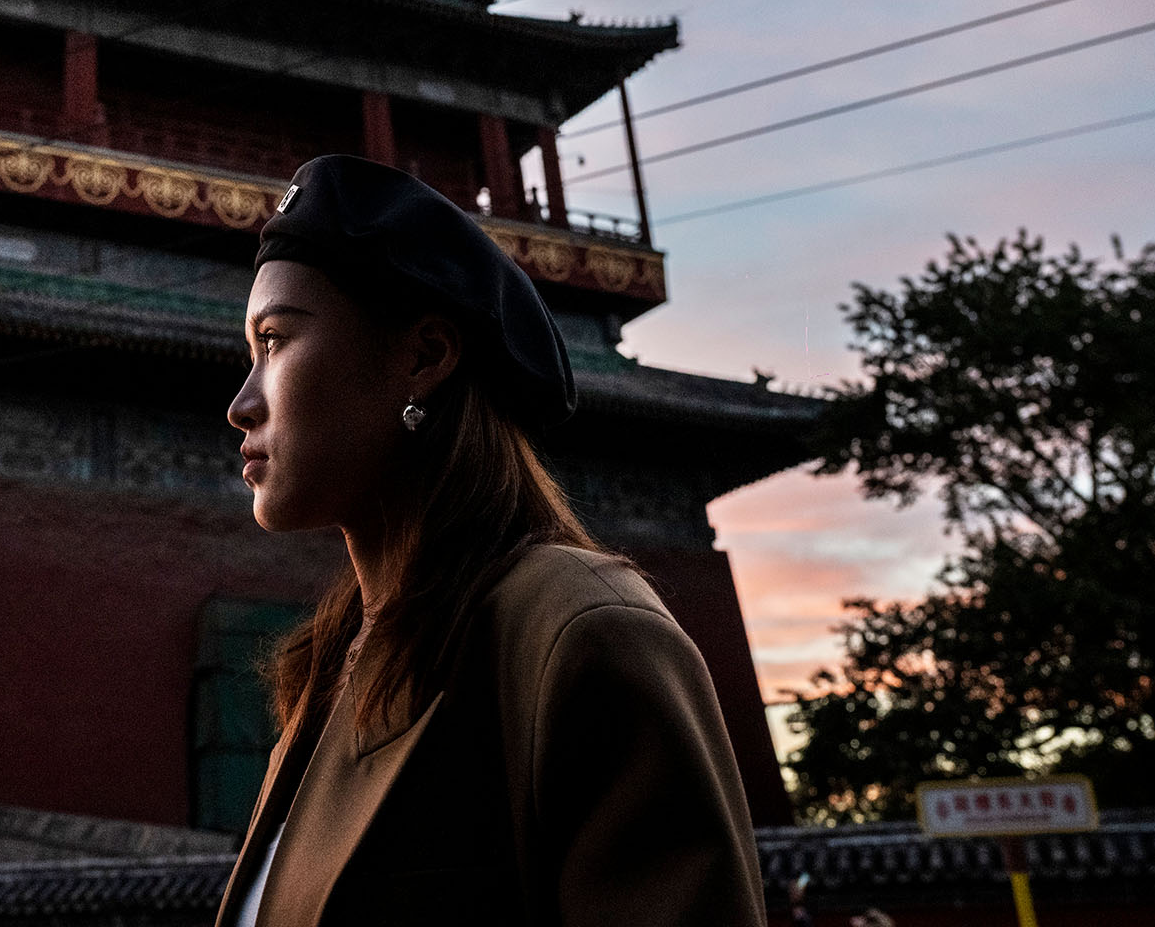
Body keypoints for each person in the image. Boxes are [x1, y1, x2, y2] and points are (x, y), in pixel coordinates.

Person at [216, 156, 764, 927]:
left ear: (423, 356)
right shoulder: (331, 668)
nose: (242, 403)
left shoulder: (578, 633)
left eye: (275, 342)